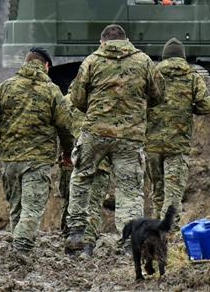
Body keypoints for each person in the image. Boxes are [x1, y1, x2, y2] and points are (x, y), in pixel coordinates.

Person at [64, 24, 164, 254]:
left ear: (103, 42)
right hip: (130, 135)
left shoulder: (91, 61)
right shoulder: (144, 61)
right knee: (129, 188)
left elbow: (77, 98)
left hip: (95, 133)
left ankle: (77, 232)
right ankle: (131, 242)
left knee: (81, 177)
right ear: (126, 40)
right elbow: (159, 95)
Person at [0, 47, 74, 253]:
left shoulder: (4, 88)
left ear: (25, 63)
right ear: (46, 66)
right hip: (38, 162)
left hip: (10, 161)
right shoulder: (52, 91)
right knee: (32, 210)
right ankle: (19, 251)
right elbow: (65, 127)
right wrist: (67, 152)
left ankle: (16, 256)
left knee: (17, 210)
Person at [145, 38, 210, 228]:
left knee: (158, 191)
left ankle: (157, 228)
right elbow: (207, 106)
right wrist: (188, 107)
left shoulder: (152, 76)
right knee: (173, 191)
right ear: (183, 56)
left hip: (151, 144)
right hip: (177, 144)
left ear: (164, 56)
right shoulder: (192, 76)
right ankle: (168, 231)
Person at [58, 93, 111, 247]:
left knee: (71, 201)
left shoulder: (66, 101)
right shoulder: (106, 100)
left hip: (72, 160)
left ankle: (70, 237)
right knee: (93, 204)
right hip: (100, 161)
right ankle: (88, 244)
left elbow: (61, 129)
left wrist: (65, 152)